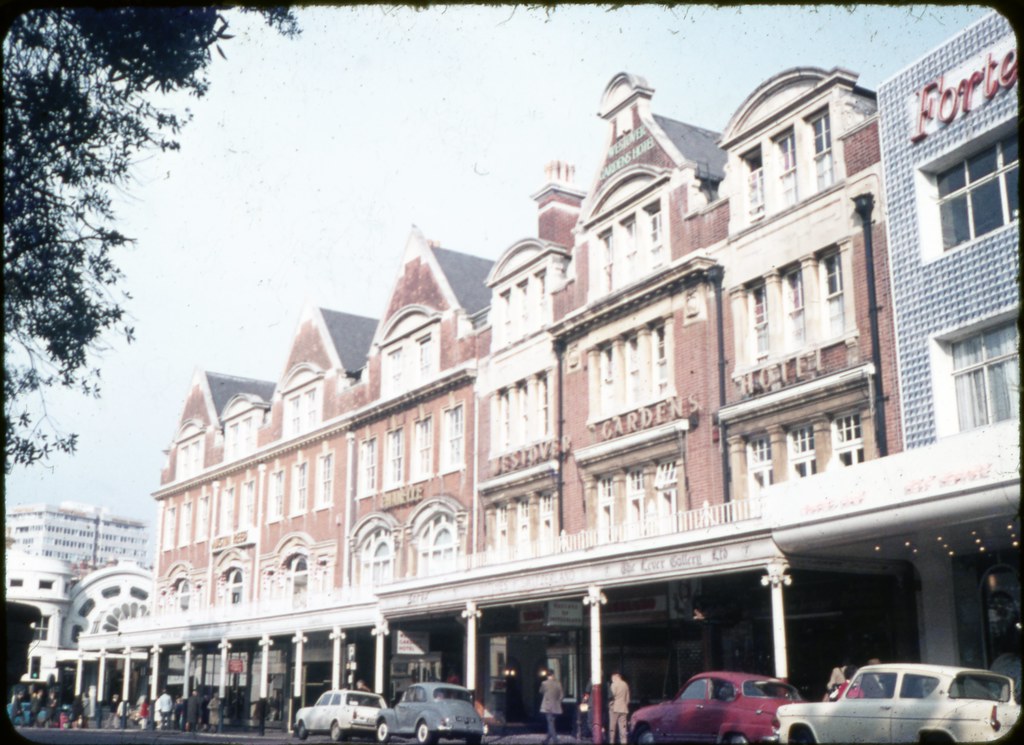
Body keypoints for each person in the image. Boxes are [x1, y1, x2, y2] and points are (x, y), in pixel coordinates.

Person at [539, 668, 563, 745]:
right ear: (553, 675)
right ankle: (546, 740)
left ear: (547, 675)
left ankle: (555, 740)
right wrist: (558, 701)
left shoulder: (544, 683)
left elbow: (541, 691)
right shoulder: (558, 683)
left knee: (550, 723)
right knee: (551, 723)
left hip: (548, 706)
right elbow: (561, 695)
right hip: (556, 706)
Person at [609, 673, 630, 745]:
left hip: (614, 708)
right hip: (623, 709)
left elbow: (611, 696)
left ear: (615, 677)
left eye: (612, 678)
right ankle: (624, 742)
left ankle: (612, 742)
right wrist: (624, 705)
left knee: (612, 728)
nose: (612, 680)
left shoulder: (613, 685)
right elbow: (628, 699)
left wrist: (610, 705)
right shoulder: (625, 685)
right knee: (623, 728)